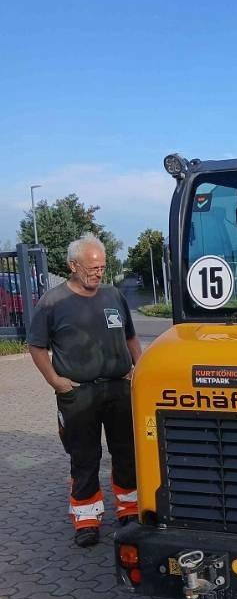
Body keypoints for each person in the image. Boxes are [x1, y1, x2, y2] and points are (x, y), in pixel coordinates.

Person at [28, 233, 142, 547]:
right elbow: (36, 347)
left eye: (102, 267)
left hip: (119, 389)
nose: (98, 273)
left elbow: (131, 338)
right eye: (92, 267)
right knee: (84, 457)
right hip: (78, 395)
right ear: (73, 265)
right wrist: (55, 381)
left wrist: (138, 369)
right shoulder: (53, 302)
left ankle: (129, 511)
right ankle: (87, 520)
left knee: (126, 453)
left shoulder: (113, 295)